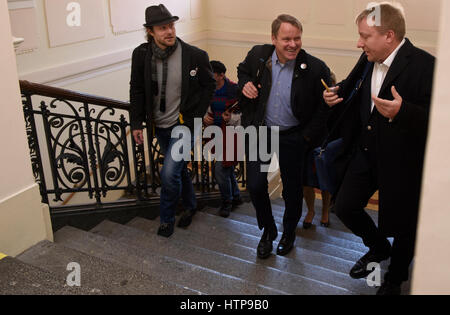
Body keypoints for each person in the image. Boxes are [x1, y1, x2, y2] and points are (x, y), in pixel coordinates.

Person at [323, 3, 435, 295]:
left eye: (364, 36)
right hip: (365, 151)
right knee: (344, 206)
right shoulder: (367, 57)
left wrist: (404, 111)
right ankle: (378, 247)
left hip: (403, 162)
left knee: (403, 224)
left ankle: (395, 279)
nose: (358, 43)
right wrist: (334, 93)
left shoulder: (427, 65)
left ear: (389, 35)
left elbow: (440, 118)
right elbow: (352, 86)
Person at [238, 14, 331, 259]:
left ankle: (289, 232)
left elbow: (324, 107)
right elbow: (242, 71)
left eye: (297, 38)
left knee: (292, 191)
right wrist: (245, 83)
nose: (292, 44)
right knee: (256, 185)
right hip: (261, 131)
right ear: (273, 39)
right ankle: (268, 231)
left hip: (294, 137)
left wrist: (307, 137)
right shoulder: (258, 55)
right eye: (286, 39)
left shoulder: (315, 67)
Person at [130, 4, 216, 238]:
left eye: (171, 26)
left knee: (168, 174)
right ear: (150, 31)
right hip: (160, 125)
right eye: (162, 28)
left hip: (185, 126)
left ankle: (166, 218)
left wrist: (197, 116)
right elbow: (137, 90)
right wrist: (136, 123)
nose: (169, 31)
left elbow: (209, 85)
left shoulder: (195, 56)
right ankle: (190, 205)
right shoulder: (141, 55)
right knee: (178, 170)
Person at [203, 60, 243, 218]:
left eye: (211, 74)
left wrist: (230, 118)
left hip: (233, 135)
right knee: (227, 168)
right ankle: (237, 196)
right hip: (216, 134)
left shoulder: (235, 90)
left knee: (220, 170)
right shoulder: (208, 89)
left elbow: (244, 115)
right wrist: (205, 117)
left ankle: (227, 202)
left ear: (221, 75)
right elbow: (204, 107)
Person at [302, 72, 337, 229]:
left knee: (325, 182)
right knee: (306, 182)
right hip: (308, 144)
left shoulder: (336, 101)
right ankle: (310, 211)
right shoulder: (310, 98)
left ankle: (325, 212)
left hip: (325, 145)